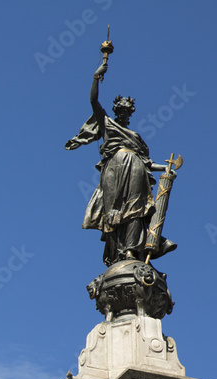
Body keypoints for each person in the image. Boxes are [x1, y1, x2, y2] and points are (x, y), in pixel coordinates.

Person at [66, 62, 176, 266]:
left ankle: (131, 252)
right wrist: (96, 77)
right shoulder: (107, 124)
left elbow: (147, 163)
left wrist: (166, 168)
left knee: (136, 209)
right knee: (112, 211)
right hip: (114, 169)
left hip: (136, 169)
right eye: (120, 109)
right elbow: (93, 100)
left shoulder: (135, 137)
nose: (123, 113)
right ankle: (116, 252)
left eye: (127, 110)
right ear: (116, 110)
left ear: (130, 113)